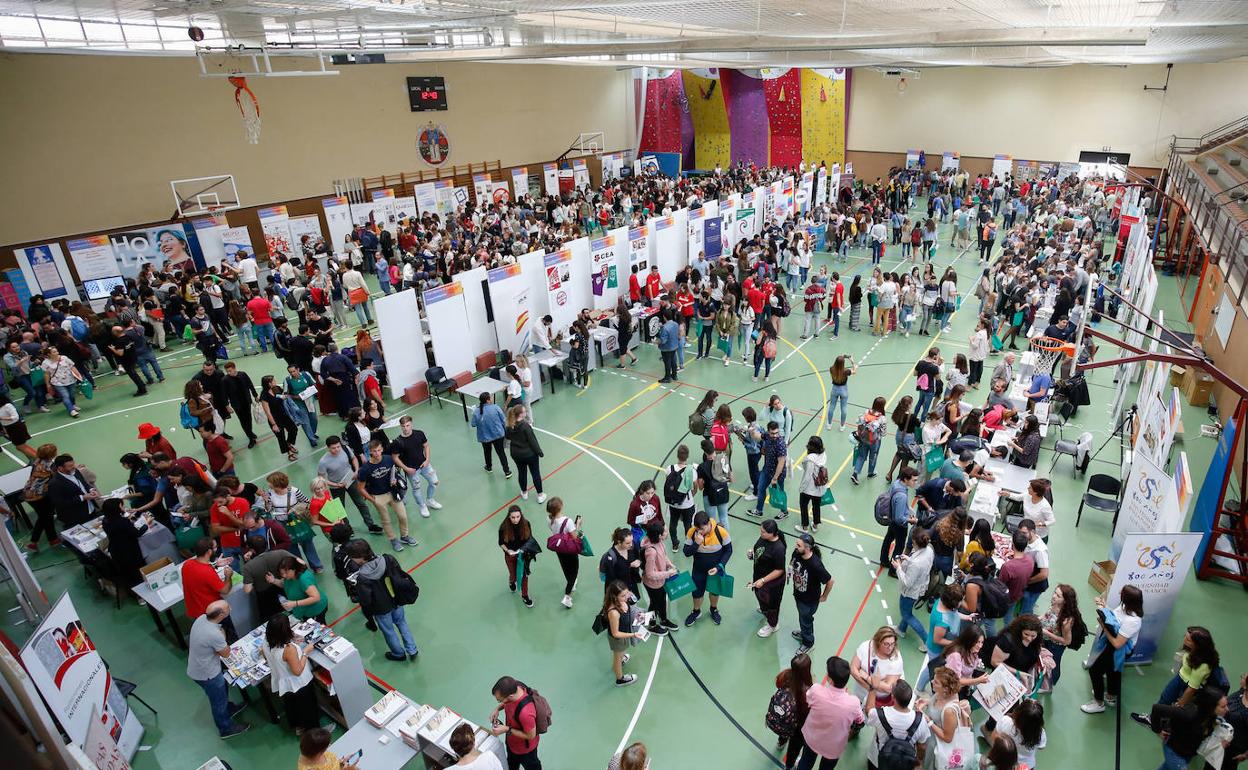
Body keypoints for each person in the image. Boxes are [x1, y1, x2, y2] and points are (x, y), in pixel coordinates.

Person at [186, 600, 250, 740]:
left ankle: (228, 709)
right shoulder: (213, 634)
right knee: (218, 701)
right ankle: (226, 728)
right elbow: (226, 653)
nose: (231, 608)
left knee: (222, 692)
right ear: (222, 614)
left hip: (199, 667)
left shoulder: (202, 619)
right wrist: (223, 636)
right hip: (208, 674)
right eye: (228, 608)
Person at [347, 540, 419, 661]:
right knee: (402, 623)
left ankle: (398, 653)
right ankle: (412, 649)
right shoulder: (387, 559)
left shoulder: (363, 577)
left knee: (389, 631)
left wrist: (356, 595)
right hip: (396, 600)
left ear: (359, 558)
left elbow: (366, 599)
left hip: (381, 608)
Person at [1082, 584, 1145, 714]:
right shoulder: (1124, 607)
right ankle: (1110, 696)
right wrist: (1104, 607)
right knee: (1112, 671)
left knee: (1095, 671)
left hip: (1119, 649)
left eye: (1122, 593)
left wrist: (1104, 626)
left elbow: (1117, 644)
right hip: (1114, 644)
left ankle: (1098, 702)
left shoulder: (1133, 621)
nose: (1119, 594)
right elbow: (1115, 617)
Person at [794, 656, 865, 770]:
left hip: (813, 738)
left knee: (806, 761)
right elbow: (860, 721)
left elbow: (808, 701)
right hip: (834, 746)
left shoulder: (816, 690)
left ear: (830, 680)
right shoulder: (854, 703)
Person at [262, 613, 321, 734]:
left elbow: (265, 656)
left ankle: (299, 727)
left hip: (283, 683)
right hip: (299, 684)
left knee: (293, 707)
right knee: (308, 709)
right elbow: (298, 671)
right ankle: (315, 733)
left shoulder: (266, 642)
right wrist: (305, 652)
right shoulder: (288, 649)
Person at [1147, 686, 1229, 770]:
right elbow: (1157, 708)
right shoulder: (1190, 714)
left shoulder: (1211, 716)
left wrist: (1219, 744)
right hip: (1173, 751)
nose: (1227, 709)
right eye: (1223, 707)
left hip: (1188, 753)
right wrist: (1157, 730)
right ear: (1211, 706)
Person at [356, 439, 415, 553]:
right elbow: (360, 488)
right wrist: (373, 500)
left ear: (382, 449)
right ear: (370, 452)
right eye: (375, 451)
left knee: (403, 516)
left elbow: (394, 471)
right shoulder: (365, 469)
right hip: (378, 497)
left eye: (379, 450)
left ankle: (404, 536)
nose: (377, 453)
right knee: (386, 520)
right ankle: (393, 540)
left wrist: (394, 480)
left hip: (392, 492)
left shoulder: (388, 459)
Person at [317, 435, 383, 535]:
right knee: (341, 509)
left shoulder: (345, 449)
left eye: (338, 446)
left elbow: (354, 459)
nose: (337, 449)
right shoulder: (323, 461)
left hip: (351, 480)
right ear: (328, 448)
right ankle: (347, 529)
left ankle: (371, 525)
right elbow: (321, 478)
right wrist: (335, 484)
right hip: (336, 487)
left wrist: (356, 470)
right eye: (333, 448)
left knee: (361, 503)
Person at [864, 678, 928, 770]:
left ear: (893, 697)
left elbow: (868, 710)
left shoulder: (879, 714)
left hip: (878, 759)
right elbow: (922, 746)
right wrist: (918, 761)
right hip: (905, 763)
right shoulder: (920, 720)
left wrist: (873, 687)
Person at [683, 511, 733, 627]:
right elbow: (686, 553)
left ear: (709, 524)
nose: (700, 531)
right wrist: (696, 544)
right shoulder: (692, 532)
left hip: (716, 570)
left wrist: (719, 566)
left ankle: (714, 609)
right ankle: (696, 611)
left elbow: (729, 550)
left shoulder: (721, 532)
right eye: (697, 528)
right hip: (698, 570)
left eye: (702, 528)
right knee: (696, 593)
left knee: (714, 591)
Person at [791, 532, 834, 656]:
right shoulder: (797, 553)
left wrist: (824, 596)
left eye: (799, 545)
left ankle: (808, 643)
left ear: (807, 548)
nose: (796, 547)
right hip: (799, 594)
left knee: (806, 620)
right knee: (803, 618)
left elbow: (830, 581)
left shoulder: (815, 565)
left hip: (809, 600)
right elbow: (793, 563)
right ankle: (805, 632)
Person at [390, 415, 441, 518]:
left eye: (408, 425)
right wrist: (406, 469)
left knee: (434, 482)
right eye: (403, 426)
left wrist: (427, 460)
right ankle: (422, 506)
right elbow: (395, 458)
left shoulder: (419, 434)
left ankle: (430, 500)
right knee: (416, 489)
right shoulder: (398, 442)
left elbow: (426, 446)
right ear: (400, 426)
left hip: (425, 465)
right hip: (411, 470)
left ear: (411, 424)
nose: (406, 428)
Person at [488, 676, 542, 770]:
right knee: (511, 765)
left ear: (510, 696)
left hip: (525, 750)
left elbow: (531, 735)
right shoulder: (516, 687)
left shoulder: (525, 713)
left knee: (533, 767)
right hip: (512, 743)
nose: (499, 702)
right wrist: (497, 709)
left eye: (500, 700)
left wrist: (506, 729)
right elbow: (506, 703)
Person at [748, 519, 788, 638]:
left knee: (771, 605)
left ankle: (773, 625)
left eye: (763, 532)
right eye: (761, 531)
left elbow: (779, 569)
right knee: (761, 599)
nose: (761, 533)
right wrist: (752, 554)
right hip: (759, 577)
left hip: (772, 584)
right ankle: (763, 608)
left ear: (772, 533)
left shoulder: (778, 549)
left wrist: (764, 580)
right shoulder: (764, 538)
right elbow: (760, 551)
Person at [894, 528, 934, 642]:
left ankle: (927, 641)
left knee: (907, 615)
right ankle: (901, 629)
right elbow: (920, 564)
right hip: (921, 585)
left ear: (916, 543)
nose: (911, 543)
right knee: (907, 611)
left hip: (910, 592)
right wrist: (909, 559)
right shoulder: (929, 550)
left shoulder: (916, 564)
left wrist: (898, 568)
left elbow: (907, 582)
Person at [639, 519, 679, 632]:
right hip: (653, 584)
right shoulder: (651, 552)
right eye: (664, 532)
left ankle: (664, 620)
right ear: (659, 535)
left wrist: (670, 564)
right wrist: (668, 573)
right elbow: (650, 574)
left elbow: (664, 556)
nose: (666, 533)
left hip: (661, 580)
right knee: (654, 604)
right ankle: (651, 625)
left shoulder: (659, 542)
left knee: (662, 601)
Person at [879, 467, 919, 576]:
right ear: (906, 479)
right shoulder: (901, 496)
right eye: (913, 480)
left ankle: (883, 560)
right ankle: (893, 570)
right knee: (899, 547)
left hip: (891, 519)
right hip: (899, 525)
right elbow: (900, 518)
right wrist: (911, 520)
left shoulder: (896, 483)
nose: (915, 482)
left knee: (888, 539)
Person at [602, 579, 639, 687]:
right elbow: (616, 633)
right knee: (617, 657)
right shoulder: (613, 612)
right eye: (623, 595)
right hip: (618, 638)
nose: (627, 596)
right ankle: (620, 679)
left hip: (624, 633)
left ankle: (622, 658)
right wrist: (633, 634)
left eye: (627, 593)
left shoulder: (622, 601)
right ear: (615, 597)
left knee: (621, 651)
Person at [505, 405, 546, 503]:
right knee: (535, 473)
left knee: (521, 472)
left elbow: (507, 436)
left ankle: (524, 493)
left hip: (516, 454)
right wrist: (539, 452)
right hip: (529, 454)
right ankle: (540, 495)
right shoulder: (525, 426)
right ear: (521, 414)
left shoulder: (509, 425)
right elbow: (532, 441)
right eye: (524, 411)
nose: (526, 412)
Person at [47, 453, 100, 527]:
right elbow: (60, 504)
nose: (74, 467)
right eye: (70, 466)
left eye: (73, 464)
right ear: (60, 468)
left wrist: (91, 490)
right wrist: (83, 498)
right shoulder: (54, 484)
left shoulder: (76, 472)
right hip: (76, 518)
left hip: (91, 510)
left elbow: (84, 484)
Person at [498, 505, 535, 608]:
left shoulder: (526, 524)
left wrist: (524, 550)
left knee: (524, 576)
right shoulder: (503, 528)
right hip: (510, 556)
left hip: (523, 555)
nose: (516, 519)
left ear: (521, 515)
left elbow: (530, 538)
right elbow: (501, 543)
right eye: (513, 517)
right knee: (514, 575)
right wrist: (508, 550)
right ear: (509, 517)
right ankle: (511, 581)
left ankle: (525, 595)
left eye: (518, 516)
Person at [273, 555, 328, 623]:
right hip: (303, 610)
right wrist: (273, 580)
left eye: (286, 573)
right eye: (282, 573)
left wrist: (295, 603)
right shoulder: (288, 577)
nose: (284, 575)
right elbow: (284, 584)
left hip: (315, 610)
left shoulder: (303, 579)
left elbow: (316, 597)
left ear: (294, 569)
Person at [994, 698, 1046, 769]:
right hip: (1027, 766)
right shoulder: (1040, 733)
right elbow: (1041, 747)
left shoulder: (1005, 721)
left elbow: (995, 737)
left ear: (1018, 713)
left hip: (1007, 762)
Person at [258, 375, 301, 462]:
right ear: (269, 383)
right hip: (274, 418)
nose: (275, 381)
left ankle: (288, 444)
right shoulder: (264, 395)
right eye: (273, 380)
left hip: (284, 415)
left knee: (293, 429)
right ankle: (289, 453)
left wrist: (285, 396)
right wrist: (274, 424)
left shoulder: (277, 388)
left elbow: (284, 394)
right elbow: (268, 412)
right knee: (280, 437)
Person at [472, 392, 512, 477]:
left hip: (484, 437)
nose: (492, 398)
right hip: (498, 435)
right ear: (488, 400)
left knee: (487, 452)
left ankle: (489, 467)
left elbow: (473, 424)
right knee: (501, 453)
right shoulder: (496, 407)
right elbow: (503, 420)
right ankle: (507, 471)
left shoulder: (476, 411)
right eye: (491, 397)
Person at [850, 396, 889, 484]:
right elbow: (883, 433)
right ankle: (870, 473)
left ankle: (855, 473)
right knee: (873, 457)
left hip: (863, 439)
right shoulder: (882, 418)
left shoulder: (866, 412)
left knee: (861, 456)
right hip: (874, 441)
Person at [825, 356, 856, 431]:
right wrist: (852, 362)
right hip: (843, 390)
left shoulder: (831, 369)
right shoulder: (846, 371)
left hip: (835, 389)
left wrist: (843, 356)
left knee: (832, 407)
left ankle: (829, 424)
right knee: (844, 408)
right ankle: (842, 426)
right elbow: (854, 371)